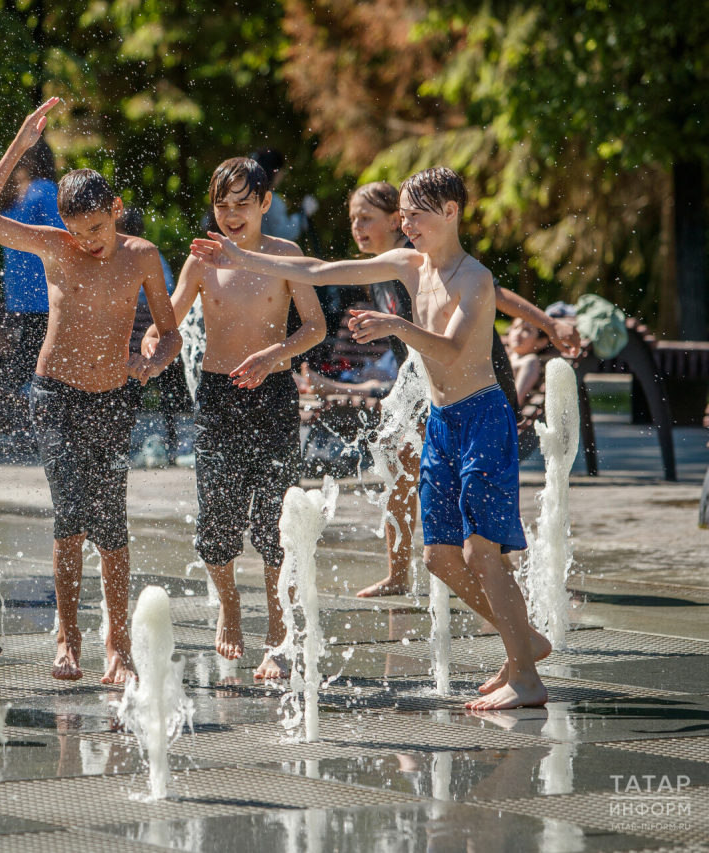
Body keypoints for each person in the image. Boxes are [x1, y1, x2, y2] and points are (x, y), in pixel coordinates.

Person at [191, 166, 551, 710]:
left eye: (415, 215)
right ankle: (524, 642)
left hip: (482, 418)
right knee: (439, 558)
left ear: (450, 211)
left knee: (480, 553)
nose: (405, 224)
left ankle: (526, 677)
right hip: (443, 420)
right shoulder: (409, 263)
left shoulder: (474, 278)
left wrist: (396, 327)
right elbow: (317, 269)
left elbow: (452, 348)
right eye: (402, 214)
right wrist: (243, 258)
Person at [0, 99, 183, 684]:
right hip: (55, 396)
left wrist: (151, 361)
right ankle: (67, 635)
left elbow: (170, 334)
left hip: (113, 397)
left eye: (97, 229)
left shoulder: (142, 257)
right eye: (77, 231)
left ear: (116, 211)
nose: (88, 242)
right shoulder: (55, 247)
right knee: (70, 513)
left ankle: (118, 643)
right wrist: (19, 145)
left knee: (110, 520)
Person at [341, 181, 580, 599]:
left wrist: (548, 324)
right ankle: (406, 573)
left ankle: (499, 575)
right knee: (401, 466)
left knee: (458, 481)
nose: (357, 227)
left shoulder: (420, 257)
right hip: (425, 382)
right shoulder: (385, 268)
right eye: (352, 219)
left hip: (472, 380)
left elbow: (494, 293)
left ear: (395, 221)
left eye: (366, 218)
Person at [143, 158, 326, 680]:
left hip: (272, 394)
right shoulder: (203, 260)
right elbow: (170, 322)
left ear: (265, 203)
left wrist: (275, 354)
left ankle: (277, 631)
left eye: (243, 204)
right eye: (222, 205)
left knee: (274, 522)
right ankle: (229, 606)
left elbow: (315, 326)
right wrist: (152, 342)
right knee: (216, 519)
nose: (230, 214)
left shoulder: (286, 255)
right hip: (219, 397)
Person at [0, 137, 63, 396]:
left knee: (22, 358)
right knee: (41, 361)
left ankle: (16, 407)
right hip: (43, 290)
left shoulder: (12, 193)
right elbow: (63, 237)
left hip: (16, 290)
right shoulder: (45, 189)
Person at [117, 207, 183, 462]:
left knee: (128, 391)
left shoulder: (123, 258)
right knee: (168, 393)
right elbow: (169, 296)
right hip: (155, 339)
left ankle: (121, 444)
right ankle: (172, 441)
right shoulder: (155, 257)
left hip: (136, 339)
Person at [506, 317, 550, 407]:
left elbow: (515, 400)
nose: (518, 333)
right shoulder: (505, 357)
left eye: (526, 330)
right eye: (515, 327)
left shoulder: (531, 361)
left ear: (541, 342)